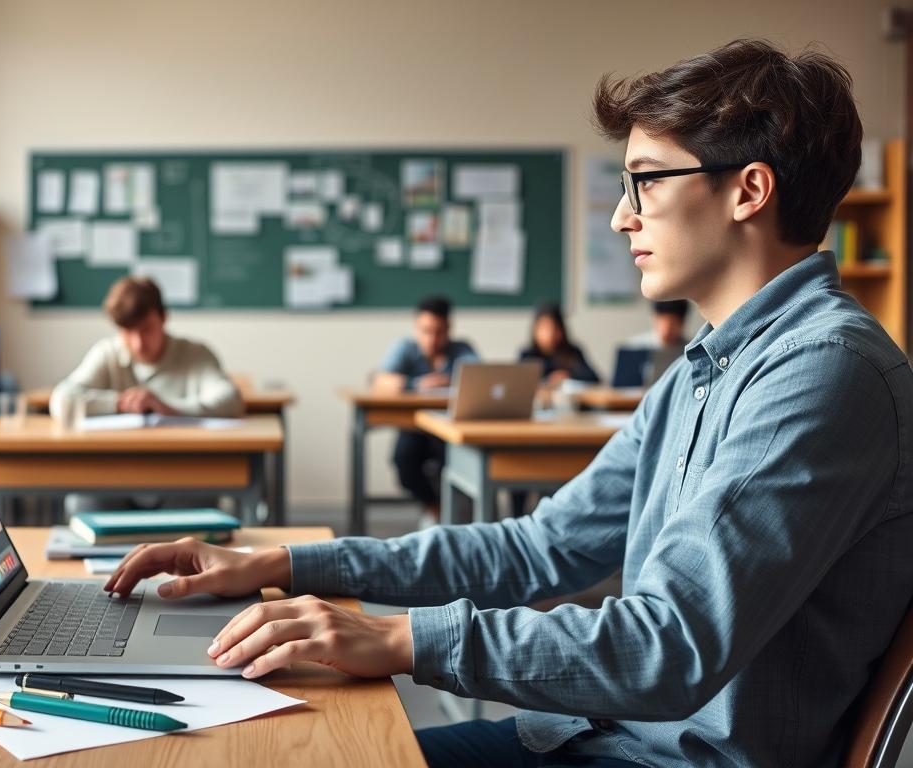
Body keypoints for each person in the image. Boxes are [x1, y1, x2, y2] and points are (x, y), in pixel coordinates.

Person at [101, 40, 913, 768]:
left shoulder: (823, 375)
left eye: (646, 182)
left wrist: (396, 639)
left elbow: (668, 646)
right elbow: (537, 547)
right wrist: (285, 563)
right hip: (600, 736)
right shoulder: (704, 369)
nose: (622, 214)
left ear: (750, 191)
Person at [53, 276, 242, 512]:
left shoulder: (195, 354)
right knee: (82, 502)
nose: (138, 343)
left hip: (181, 480)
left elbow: (231, 399)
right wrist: (120, 403)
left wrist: (169, 408)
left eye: (146, 330)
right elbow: (62, 400)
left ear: (163, 318)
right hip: (113, 479)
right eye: (128, 332)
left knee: (201, 502)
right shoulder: (108, 353)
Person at [372, 295, 479, 520]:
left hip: (449, 428)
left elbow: (482, 379)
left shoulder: (461, 350)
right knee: (403, 459)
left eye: (438, 332)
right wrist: (416, 384)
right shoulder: (405, 349)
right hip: (415, 428)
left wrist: (451, 380)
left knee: (460, 461)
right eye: (426, 331)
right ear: (416, 328)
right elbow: (381, 379)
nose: (432, 338)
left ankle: (457, 514)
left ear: (449, 329)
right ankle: (436, 508)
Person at [519, 302, 600, 388]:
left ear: (562, 330)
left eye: (555, 328)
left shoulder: (573, 353)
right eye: (545, 328)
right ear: (535, 330)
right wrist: (549, 380)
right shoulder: (528, 355)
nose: (550, 334)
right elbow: (521, 383)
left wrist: (568, 376)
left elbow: (593, 378)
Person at [623, 299, 689, 349]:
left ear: (682, 323)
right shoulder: (634, 347)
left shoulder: (690, 349)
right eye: (663, 323)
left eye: (673, 324)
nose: (667, 331)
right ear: (654, 319)